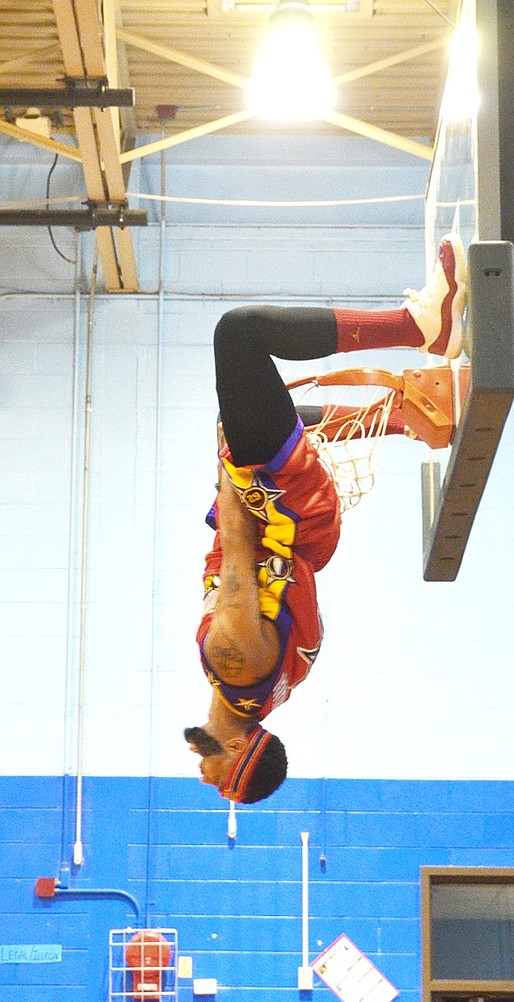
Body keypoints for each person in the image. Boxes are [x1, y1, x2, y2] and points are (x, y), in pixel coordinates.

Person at [184, 233, 467, 805]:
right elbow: (237, 541)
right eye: (222, 783)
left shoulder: (265, 694)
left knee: (245, 416)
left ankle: (405, 415)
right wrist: (230, 468)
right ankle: (419, 327)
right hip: (284, 514)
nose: (206, 781)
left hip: (300, 531)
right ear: (238, 753)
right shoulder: (233, 662)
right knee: (237, 337)